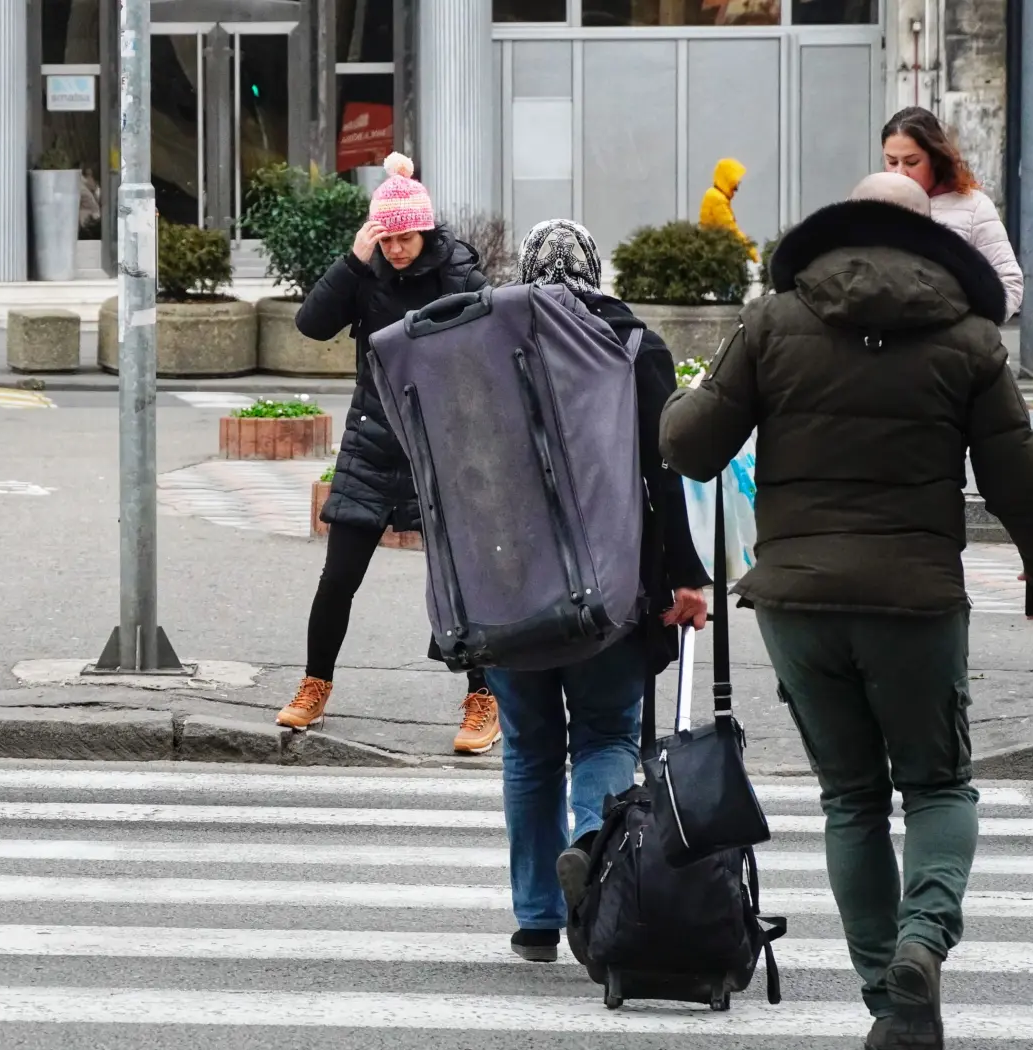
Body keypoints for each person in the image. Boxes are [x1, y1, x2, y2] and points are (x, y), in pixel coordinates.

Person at [659, 171, 1033, 1050]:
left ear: (846, 221)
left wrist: (678, 402)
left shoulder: (775, 320)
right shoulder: (969, 338)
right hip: (916, 602)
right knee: (937, 787)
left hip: (800, 604)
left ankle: (890, 1004)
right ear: (929, 234)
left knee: (851, 800)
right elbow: (1021, 467)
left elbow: (695, 445)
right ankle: (921, 946)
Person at [489, 219, 712, 963]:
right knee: (608, 737)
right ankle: (596, 848)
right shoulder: (634, 346)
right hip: (612, 586)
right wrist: (684, 574)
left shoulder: (488, 345)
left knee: (527, 749)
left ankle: (534, 922)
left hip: (510, 587)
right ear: (595, 269)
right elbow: (665, 471)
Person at [276, 152, 502, 755]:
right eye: (388, 237)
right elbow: (311, 324)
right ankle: (314, 684)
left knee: (463, 578)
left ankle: (485, 697)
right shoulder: (367, 271)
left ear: (424, 230)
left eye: (405, 237)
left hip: (443, 449)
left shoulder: (458, 274)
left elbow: (497, 347)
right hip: (373, 440)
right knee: (339, 575)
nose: (397, 249)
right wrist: (353, 260)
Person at [881, 107, 1024, 320]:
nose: (900, 172)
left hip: (953, 347)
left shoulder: (973, 206)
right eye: (892, 162)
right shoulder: (872, 202)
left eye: (911, 162)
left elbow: (1009, 283)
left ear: (935, 159)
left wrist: (969, 332)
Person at [698, 158, 758, 261]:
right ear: (728, 177)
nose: (738, 183)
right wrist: (752, 253)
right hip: (715, 254)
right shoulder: (718, 199)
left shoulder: (716, 195)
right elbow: (731, 230)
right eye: (736, 179)